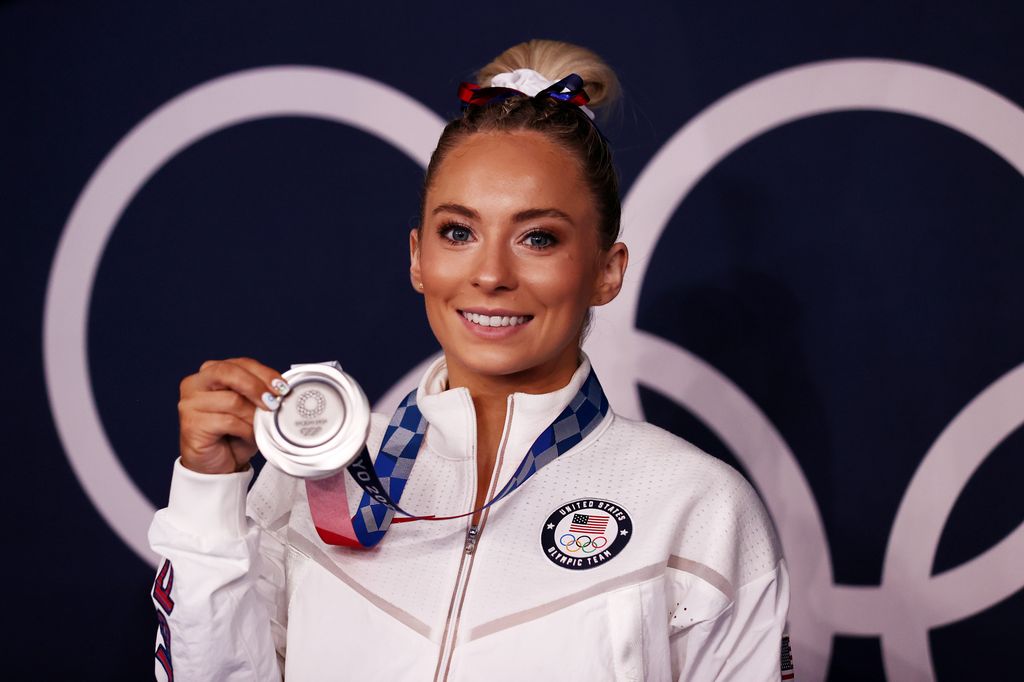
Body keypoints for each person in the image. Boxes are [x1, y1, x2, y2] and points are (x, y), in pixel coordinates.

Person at [149, 39, 791, 681]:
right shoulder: (317, 474)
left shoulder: (699, 508)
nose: (490, 273)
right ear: (417, 257)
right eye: (458, 232)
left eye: (538, 237)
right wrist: (207, 493)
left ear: (607, 271)